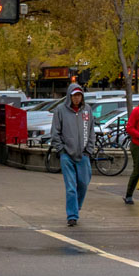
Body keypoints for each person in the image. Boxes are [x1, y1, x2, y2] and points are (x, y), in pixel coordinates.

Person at [50, 83, 97, 227]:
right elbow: (55, 132)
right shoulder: (60, 110)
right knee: (70, 187)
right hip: (67, 155)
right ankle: (72, 215)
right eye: (74, 95)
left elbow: (91, 132)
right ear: (70, 96)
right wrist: (61, 150)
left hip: (83, 155)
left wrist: (89, 150)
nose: (77, 98)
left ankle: (76, 206)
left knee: (83, 183)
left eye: (79, 95)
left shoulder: (87, 110)